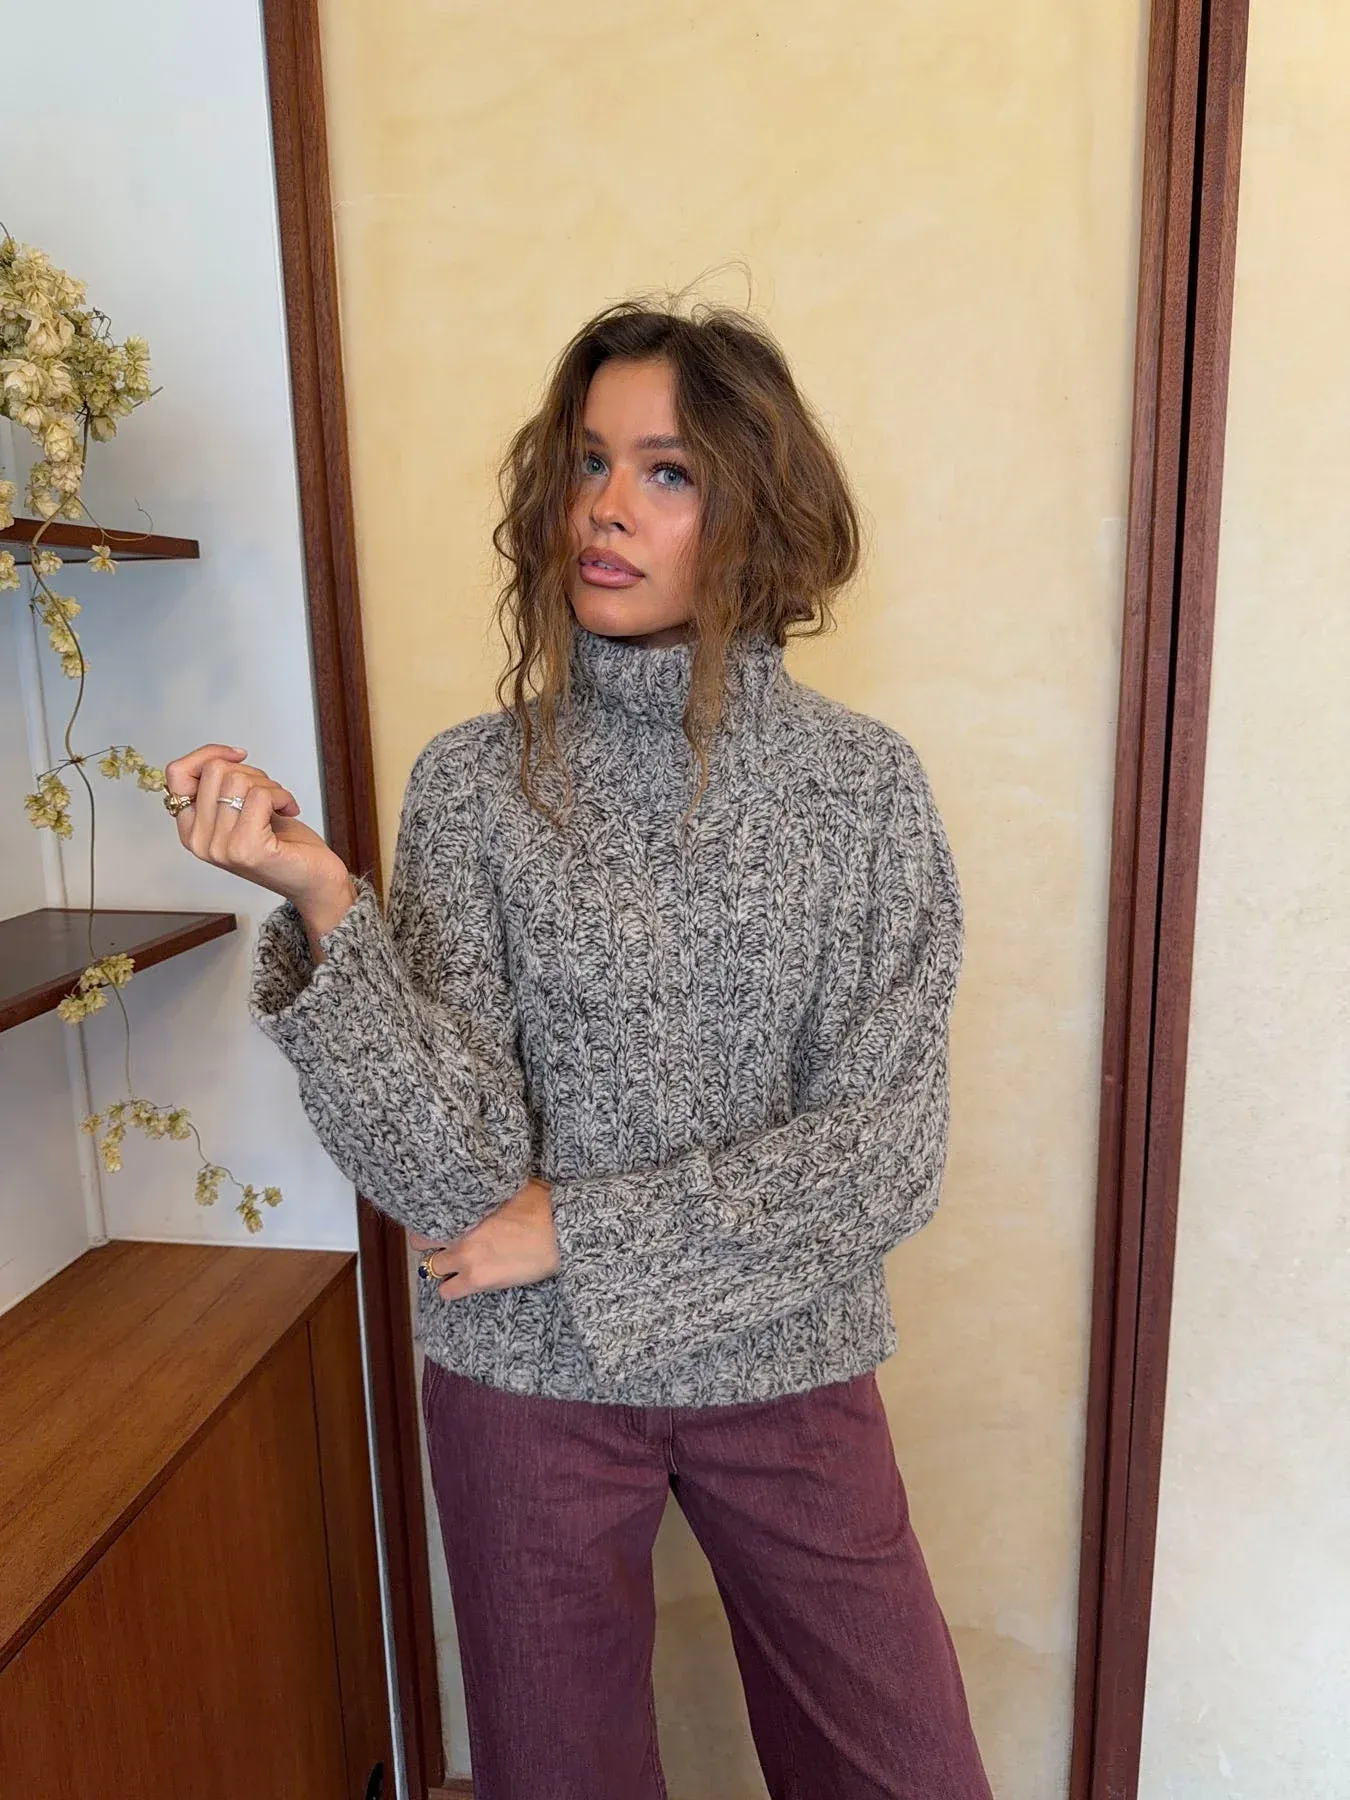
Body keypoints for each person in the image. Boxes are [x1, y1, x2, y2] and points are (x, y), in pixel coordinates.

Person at [163, 296, 993, 1800]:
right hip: (523, 1385)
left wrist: (581, 1232)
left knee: (904, 1770)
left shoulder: (862, 791)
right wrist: (328, 900)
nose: (606, 507)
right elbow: (451, 1178)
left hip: (787, 1360)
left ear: (760, 510)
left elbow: (884, 1156)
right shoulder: (474, 787)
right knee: (557, 1776)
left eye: (667, 471)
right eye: (588, 461)